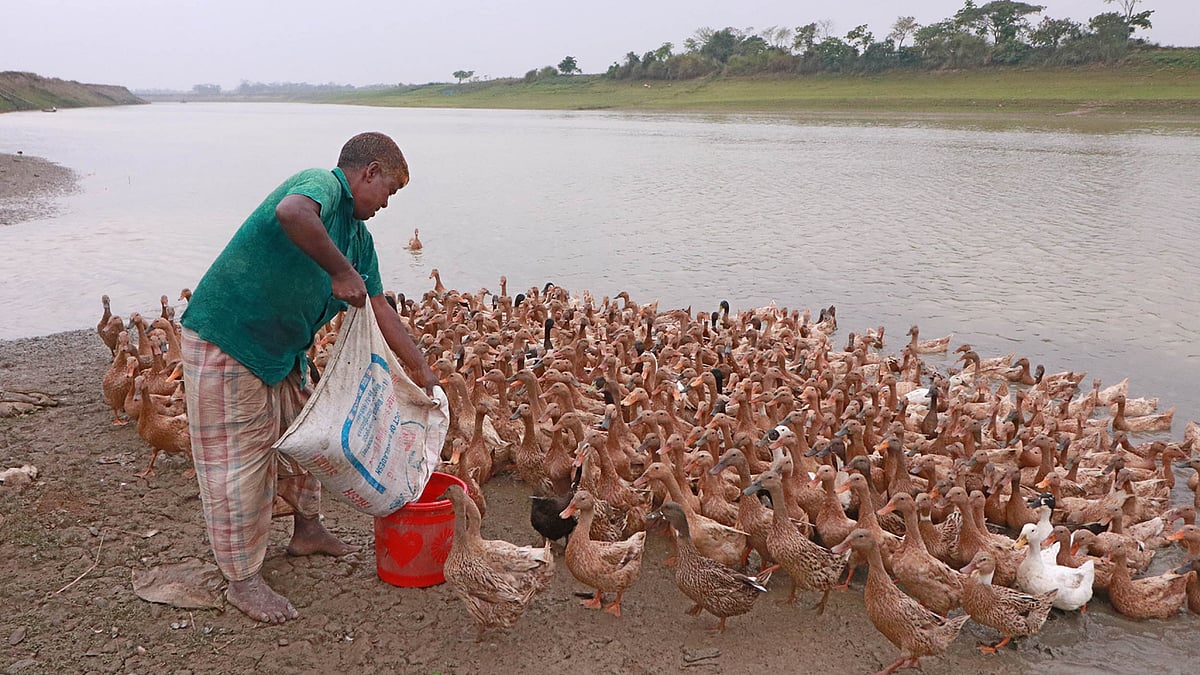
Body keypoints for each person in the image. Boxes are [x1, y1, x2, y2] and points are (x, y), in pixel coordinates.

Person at [179, 131, 438, 624]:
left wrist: (421, 369)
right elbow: (292, 214)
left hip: (282, 352)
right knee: (239, 461)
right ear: (369, 173)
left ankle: (308, 529)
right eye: (390, 190)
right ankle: (243, 579)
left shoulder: (359, 240)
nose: (387, 203)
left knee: (307, 439)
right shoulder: (319, 185)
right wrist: (340, 274)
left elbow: (379, 304)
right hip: (229, 338)